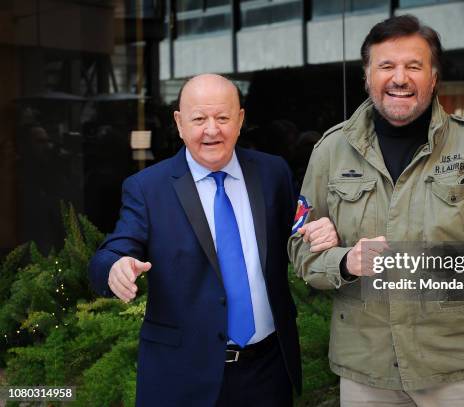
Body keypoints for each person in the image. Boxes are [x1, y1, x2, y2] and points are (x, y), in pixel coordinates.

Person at [289, 15, 464, 407]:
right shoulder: (331, 151)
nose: (399, 78)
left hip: (459, 366)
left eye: (414, 66)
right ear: (367, 75)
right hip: (367, 370)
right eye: (386, 65)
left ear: (434, 77)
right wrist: (345, 262)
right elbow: (302, 250)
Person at [89, 74, 338, 406]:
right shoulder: (148, 188)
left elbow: (299, 229)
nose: (211, 130)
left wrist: (321, 230)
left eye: (222, 118)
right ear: (179, 123)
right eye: (199, 119)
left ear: (240, 120)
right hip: (182, 376)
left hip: (267, 371)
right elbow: (113, 250)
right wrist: (114, 267)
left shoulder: (272, 173)